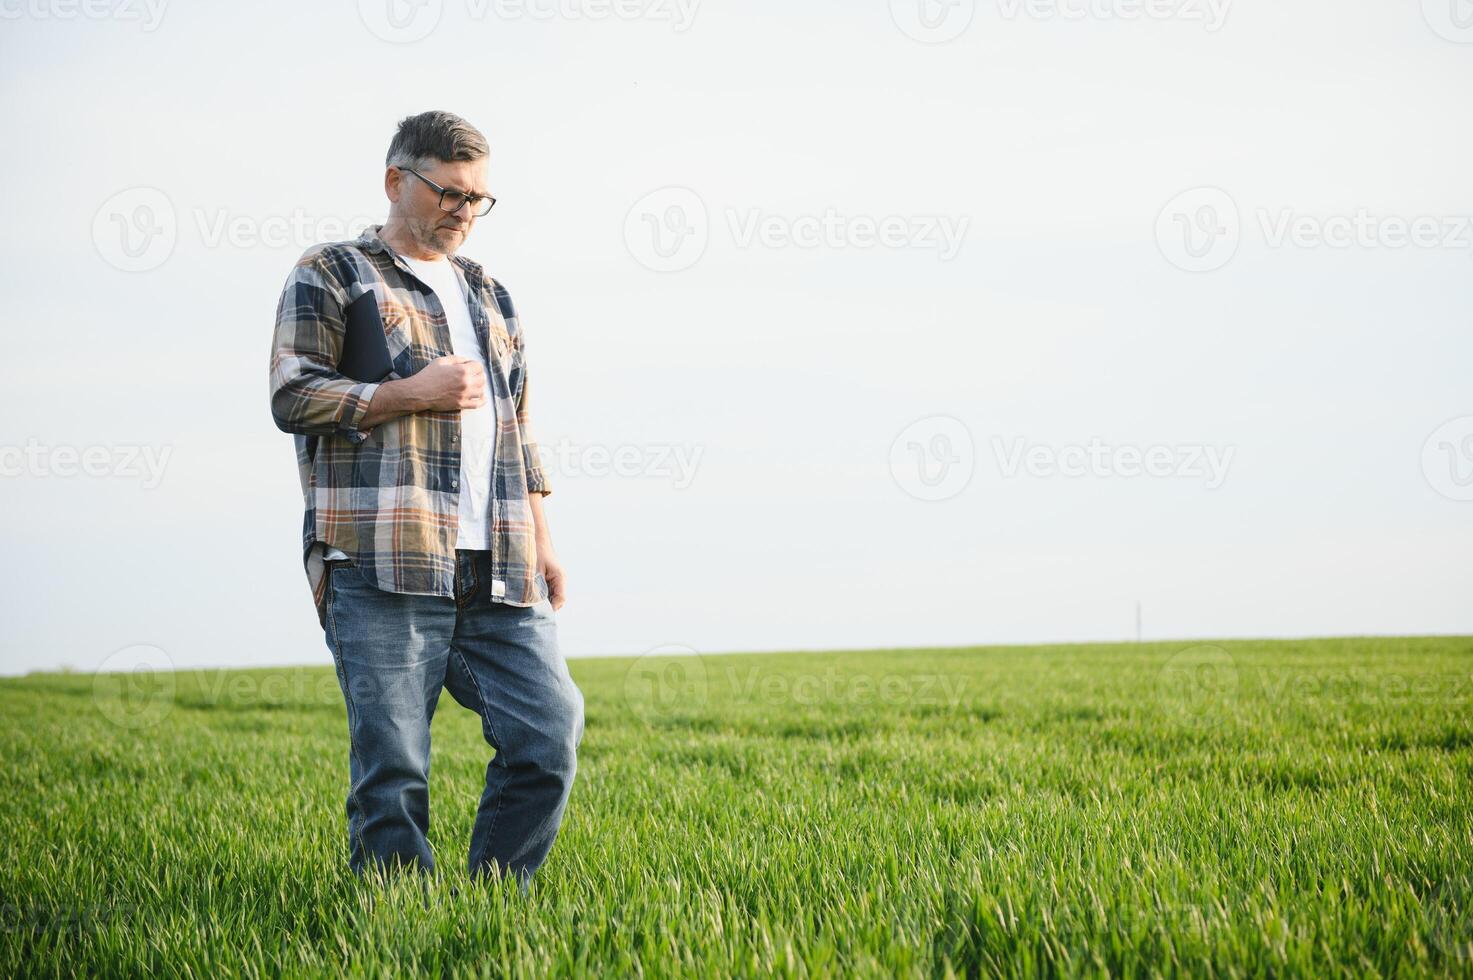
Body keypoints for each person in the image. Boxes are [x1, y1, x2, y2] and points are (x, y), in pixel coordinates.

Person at [267, 110, 583, 888]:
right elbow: (291, 395)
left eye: (478, 198)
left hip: (498, 562)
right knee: (394, 770)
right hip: (383, 562)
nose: (464, 211)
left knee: (548, 735)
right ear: (395, 181)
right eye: (449, 192)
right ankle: (398, 930)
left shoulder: (491, 294)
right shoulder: (333, 272)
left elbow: (519, 426)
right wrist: (407, 392)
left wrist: (543, 538)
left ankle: (491, 905)